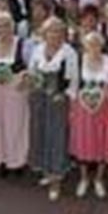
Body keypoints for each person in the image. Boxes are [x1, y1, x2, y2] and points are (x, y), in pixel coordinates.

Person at [27, 16, 78, 201]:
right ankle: (46, 171)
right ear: (44, 33)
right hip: (39, 98)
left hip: (58, 100)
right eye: (50, 30)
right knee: (41, 133)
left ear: (63, 34)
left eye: (58, 30)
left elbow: (73, 80)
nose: (54, 34)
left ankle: (56, 178)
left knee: (57, 137)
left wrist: (64, 96)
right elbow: (32, 73)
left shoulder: (69, 52)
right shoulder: (37, 50)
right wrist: (29, 85)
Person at [0, 11, 31, 175]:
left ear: (12, 27)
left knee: (16, 125)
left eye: (6, 25)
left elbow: (31, 68)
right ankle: (2, 159)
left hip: (15, 90)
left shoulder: (22, 44)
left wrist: (24, 79)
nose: (2, 29)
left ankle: (18, 161)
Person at [69, 31, 108, 199]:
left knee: (102, 141)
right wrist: (72, 109)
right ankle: (84, 178)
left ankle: (99, 179)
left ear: (102, 45)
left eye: (97, 43)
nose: (93, 47)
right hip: (83, 108)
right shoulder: (79, 61)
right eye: (90, 44)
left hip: (103, 107)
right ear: (84, 46)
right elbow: (73, 86)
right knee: (83, 141)